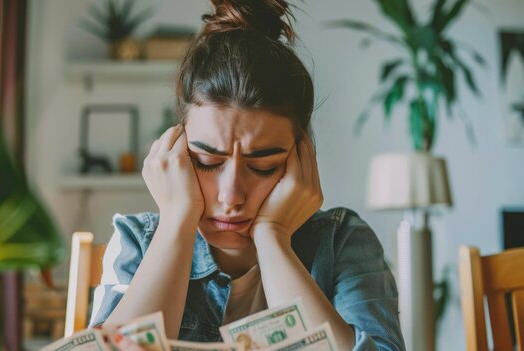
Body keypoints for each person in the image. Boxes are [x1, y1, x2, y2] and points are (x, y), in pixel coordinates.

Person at [89, 0, 404, 350]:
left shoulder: (343, 243)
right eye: (207, 160)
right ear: (176, 152)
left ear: (301, 160)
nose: (231, 195)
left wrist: (273, 237)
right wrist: (177, 219)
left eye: (263, 166)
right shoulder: (137, 241)